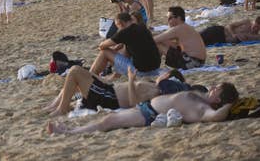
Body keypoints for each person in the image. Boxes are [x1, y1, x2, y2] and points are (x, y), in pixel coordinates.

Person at [47, 83, 238, 135]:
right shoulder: (201, 96)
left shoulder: (202, 108)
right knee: (110, 118)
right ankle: (70, 130)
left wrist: (230, 105)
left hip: (150, 114)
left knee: (109, 121)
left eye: (216, 89)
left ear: (219, 97)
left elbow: (217, 116)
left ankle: (68, 132)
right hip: (146, 107)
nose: (212, 87)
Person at [44, 66, 196, 117]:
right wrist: (105, 78)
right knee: (82, 73)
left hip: (109, 97)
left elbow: (133, 103)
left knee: (74, 72)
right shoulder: (151, 85)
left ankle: (61, 108)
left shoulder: (155, 90)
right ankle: (55, 105)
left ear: (168, 77)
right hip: (108, 91)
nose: (161, 75)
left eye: (165, 74)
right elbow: (115, 86)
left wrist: (130, 80)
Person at [89, 12, 161, 77]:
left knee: (104, 52)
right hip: (155, 68)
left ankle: (90, 77)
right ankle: (113, 75)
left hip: (141, 71)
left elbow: (102, 46)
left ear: (121, 23)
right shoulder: (142, 27)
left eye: (117, 26)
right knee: (125, 47)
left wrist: (109, 48)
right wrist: (115, 49)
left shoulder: (124, 32)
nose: (118, 28)